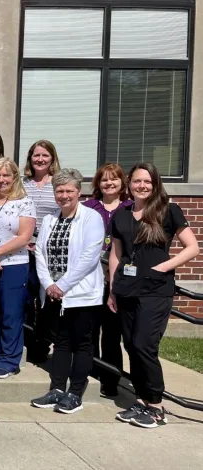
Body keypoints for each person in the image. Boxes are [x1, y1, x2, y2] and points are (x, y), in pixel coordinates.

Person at [109, 163, 199, 428]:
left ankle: (157, 407)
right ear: (129, 184)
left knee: (144, 345)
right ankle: (141, 400)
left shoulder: (168, 211)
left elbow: (192, 247)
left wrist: (165, 266)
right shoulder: (122, 215)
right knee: (130, 346)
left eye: (147, 181)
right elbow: (116, 254)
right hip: (125, 289)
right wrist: (112, 290)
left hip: (155, 291)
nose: (142, 186)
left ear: (155, 183)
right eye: (137, 181)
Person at [30, 169, 104, 414]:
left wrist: (62, 286)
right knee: (60, 343)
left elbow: (89, 257)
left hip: (81, 294)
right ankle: (58, 389)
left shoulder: (91, 218)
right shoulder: (51, 219)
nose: (63, 195)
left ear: (78, 192)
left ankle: (75, 394)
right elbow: (39, 252)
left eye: (68, 190)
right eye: (59, 191)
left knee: (82, 344)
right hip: (54, 294)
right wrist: (49, 284)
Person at [0, 159, 35, 379]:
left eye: (6, 175)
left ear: (14, 177)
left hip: (13, 265)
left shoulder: (24, 202)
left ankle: (10, 360)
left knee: (10, 314)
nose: (0, 180)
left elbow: (24, 237)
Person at [82, 163, 132, 397]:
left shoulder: (131, 208)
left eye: (114, 179)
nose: (109, 183)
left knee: (112, 332)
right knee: (89, 329)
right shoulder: (88, 208)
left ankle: (111, 379)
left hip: (118, 279)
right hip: (91, 276)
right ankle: (91, 372)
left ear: (123, 183)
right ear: (97, 184)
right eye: (104, 180)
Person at [22, 140, 62, 363]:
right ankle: (28, 341)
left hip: (47, 250)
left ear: (52, 158)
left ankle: (43, 343)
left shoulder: (58, 183)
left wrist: (42, 243)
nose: (40, 159)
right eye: (36, 155)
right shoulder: (22, 183)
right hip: (22, 248)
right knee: (27, 298)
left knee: (46, 299)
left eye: (45, 155)